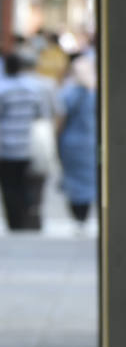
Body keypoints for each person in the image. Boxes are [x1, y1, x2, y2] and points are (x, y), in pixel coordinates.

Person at [0, 52, 55, 231]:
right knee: (25, 184)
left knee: (7, 186)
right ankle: (25, 219)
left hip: (6, 146)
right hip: (27, 145)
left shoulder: (0, 89)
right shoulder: (32, 89)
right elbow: (42, 115)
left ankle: (13, 221)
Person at [57, 52, 98, 231]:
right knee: (88, 179)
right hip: (89, 142)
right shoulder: (95, 94)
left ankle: (77, 217)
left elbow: (61, 119)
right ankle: (84, 216)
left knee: (72, 180)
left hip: (70, 143)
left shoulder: (68, 93)